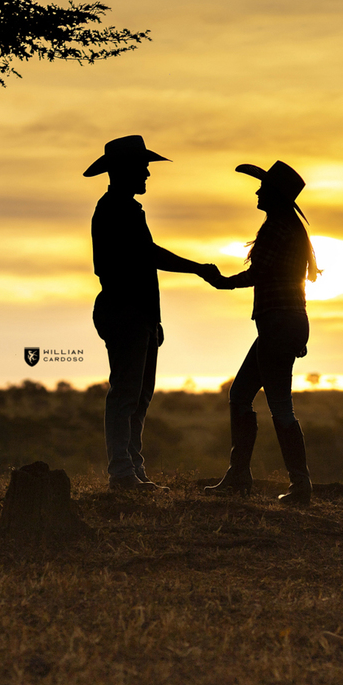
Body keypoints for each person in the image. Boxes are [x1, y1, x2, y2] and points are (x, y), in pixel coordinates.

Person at [85, 135, 222, 491]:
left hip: (137, 314)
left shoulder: (123, 208)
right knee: (127, 394)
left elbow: (147, 256)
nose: (147, 172)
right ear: (125, 170)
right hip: (126, 312)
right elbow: (150, 256)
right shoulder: (116, 209)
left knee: (139, 396)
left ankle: (132, 469)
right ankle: (122, 473)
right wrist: (199, 268)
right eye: (142, 166)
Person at [205, 160, 318, 505]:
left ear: (273, 195)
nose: (257, 191)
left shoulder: (276, 229)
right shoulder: (290, 229)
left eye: (262, 187)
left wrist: (223, 283)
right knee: (241, 394)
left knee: (279, 405)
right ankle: (241, 475)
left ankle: (299, 486)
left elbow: (260, 273)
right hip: (287, 322)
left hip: (277, 323)